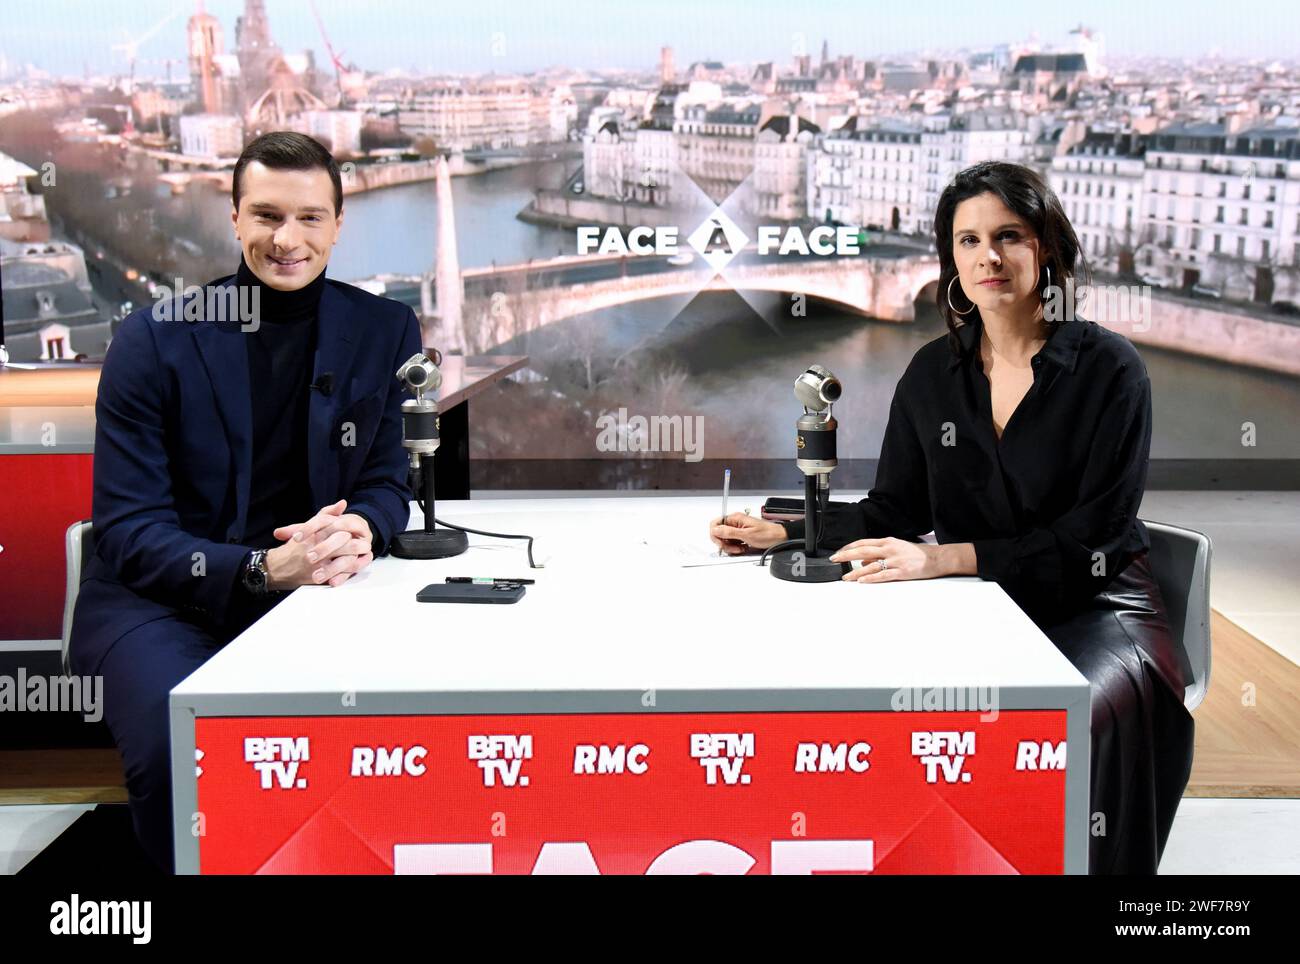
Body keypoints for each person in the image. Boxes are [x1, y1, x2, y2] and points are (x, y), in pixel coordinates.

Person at [708, 160, 1194, 875]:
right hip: (981, 603)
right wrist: (784, 531)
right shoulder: (932, 374)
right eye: (967, 242)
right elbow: (893, 510)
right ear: (951, 261)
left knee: (1054, 731)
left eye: (1008, 236)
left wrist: (943, 558)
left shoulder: (1112, 372)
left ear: (1046, 248)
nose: (987, 258)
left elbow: (1095, 537)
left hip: (1097, 607)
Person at [69, 131, 422, 872]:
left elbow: (391, 485)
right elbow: (129, 531)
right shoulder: (151, 340)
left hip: (320, 597)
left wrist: (362, 526)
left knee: (398, 739)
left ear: (337, 224)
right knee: (186, 753)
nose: (287, 239)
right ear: (234, 219)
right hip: (161, 604)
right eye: (265, 216)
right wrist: (263, 568)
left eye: (309, 218)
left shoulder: (385, 330)